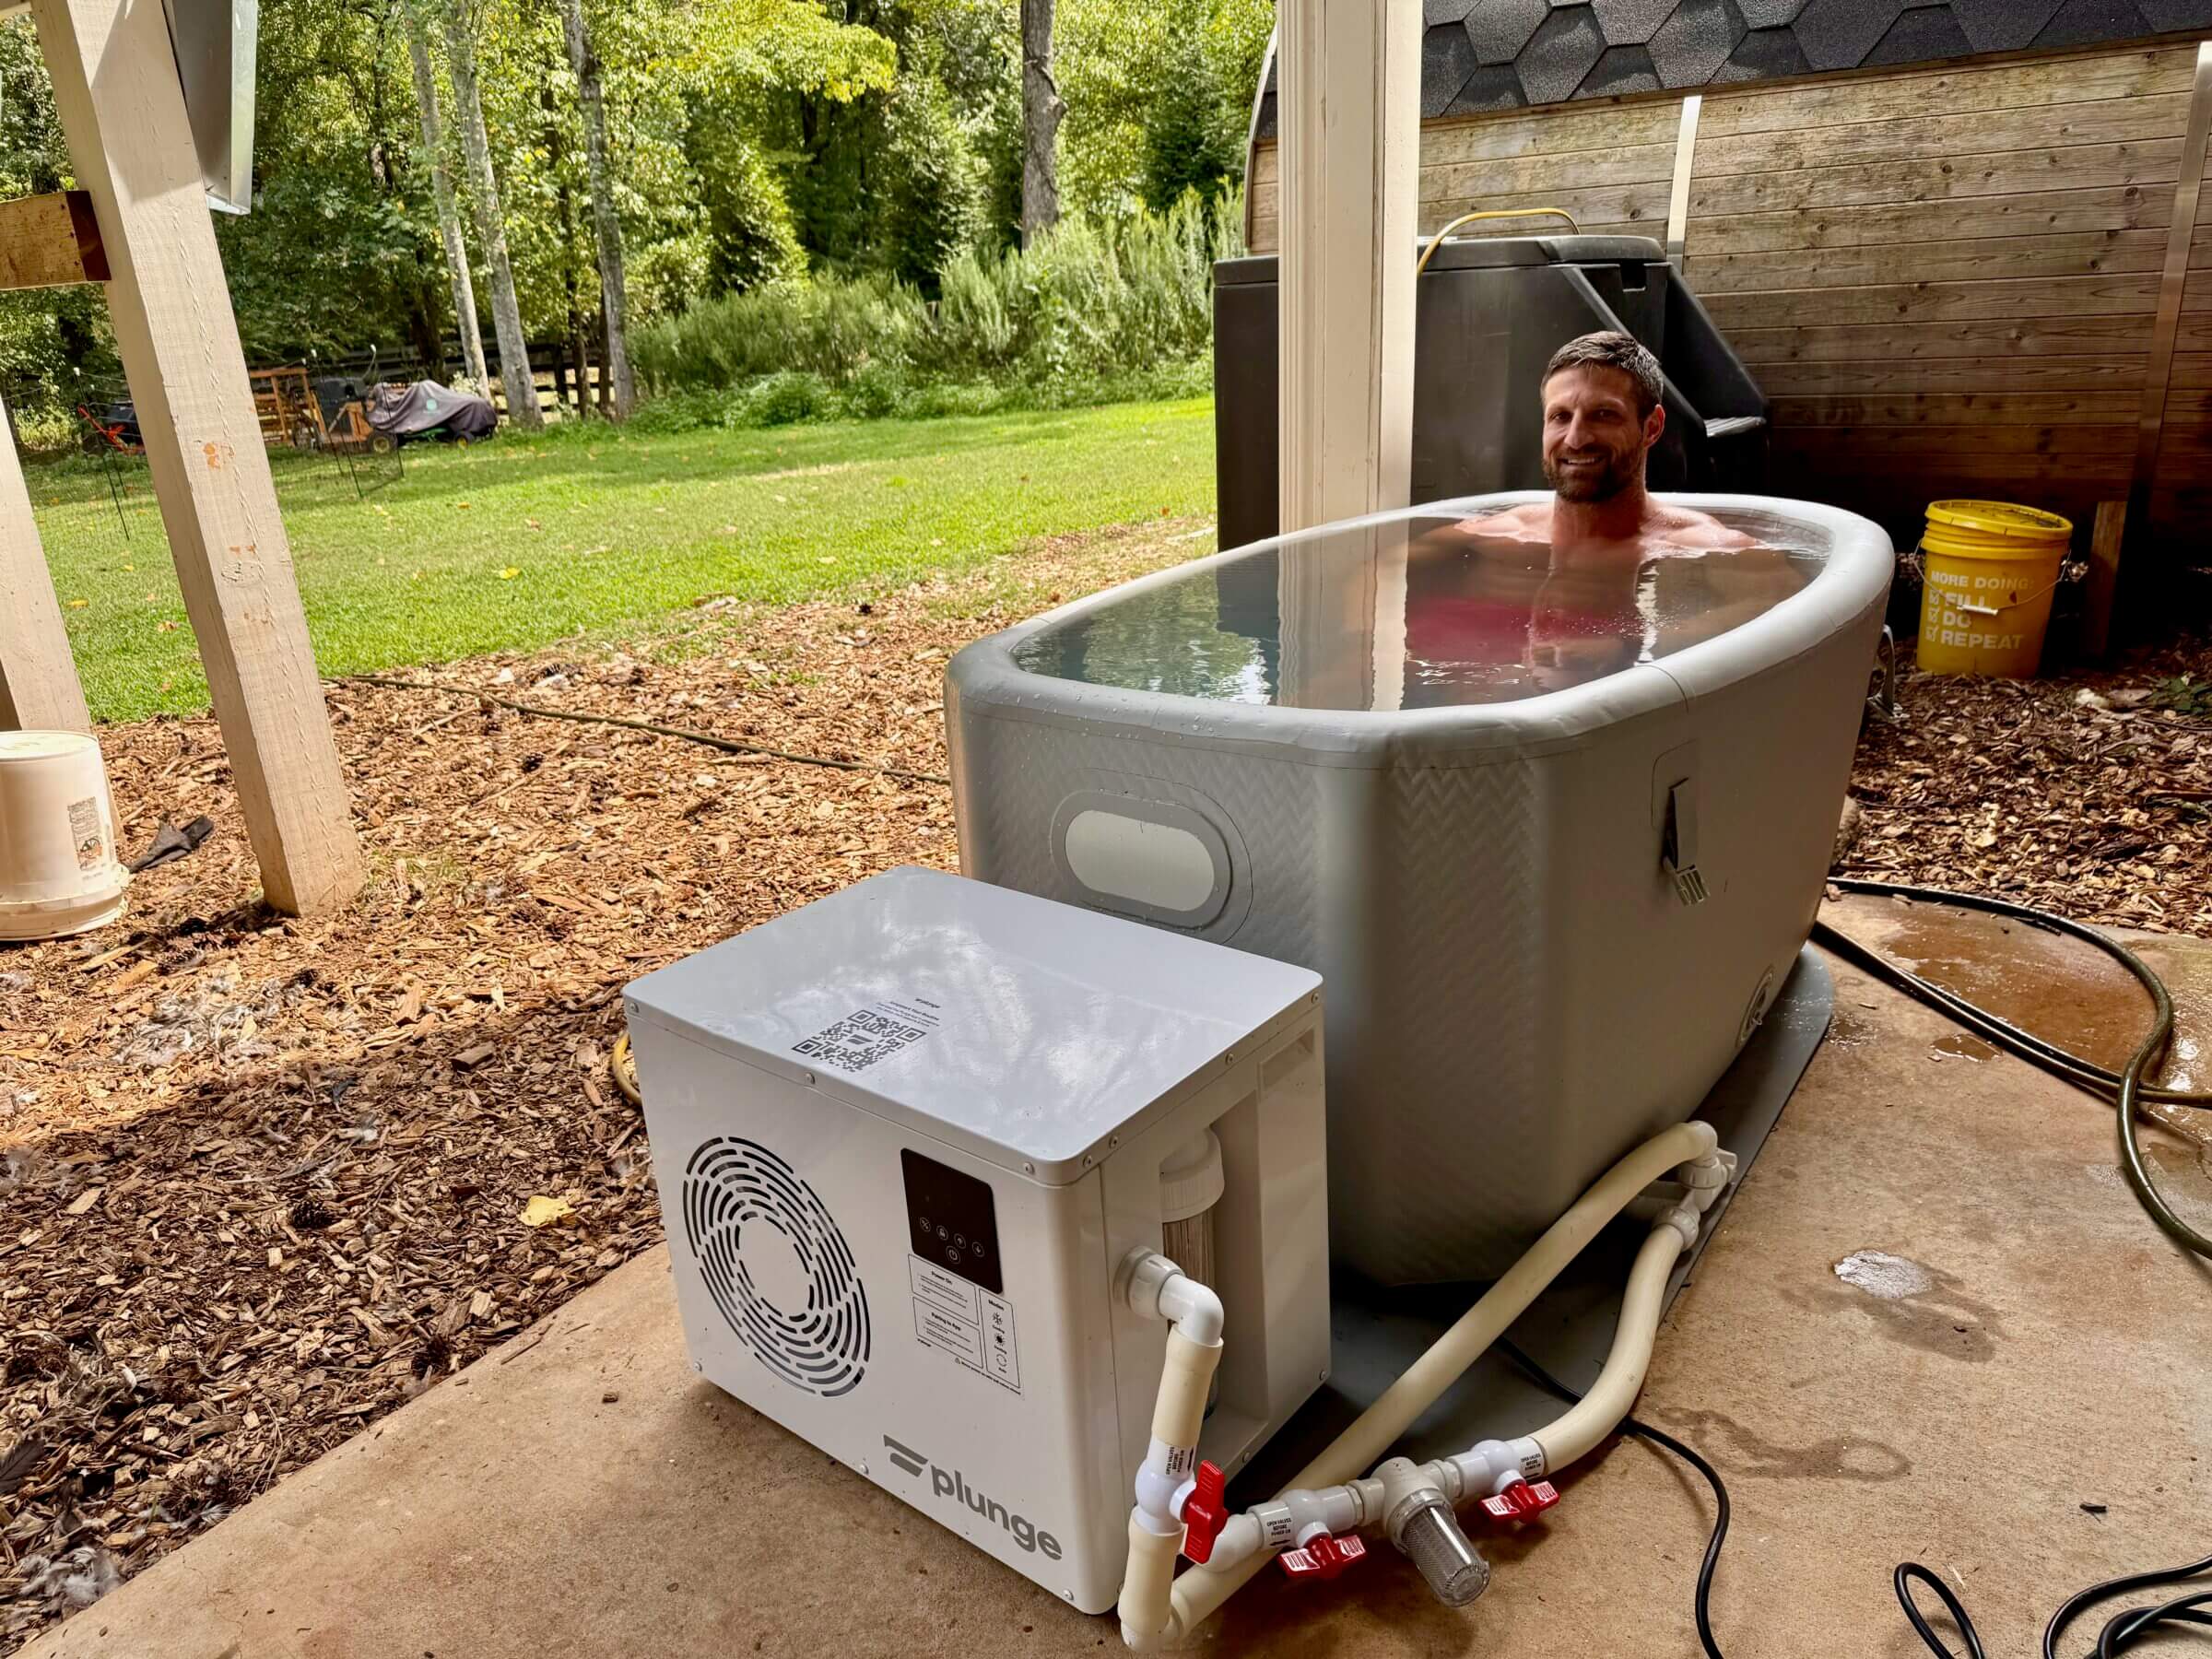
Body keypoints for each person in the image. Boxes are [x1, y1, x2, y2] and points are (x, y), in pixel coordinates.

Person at [1457, 330, 1754, 556]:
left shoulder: (1705, 550)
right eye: (1560, 416)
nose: (1575, 439)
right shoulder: (1493, 536)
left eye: (1603, 414)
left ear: (1652, 427)